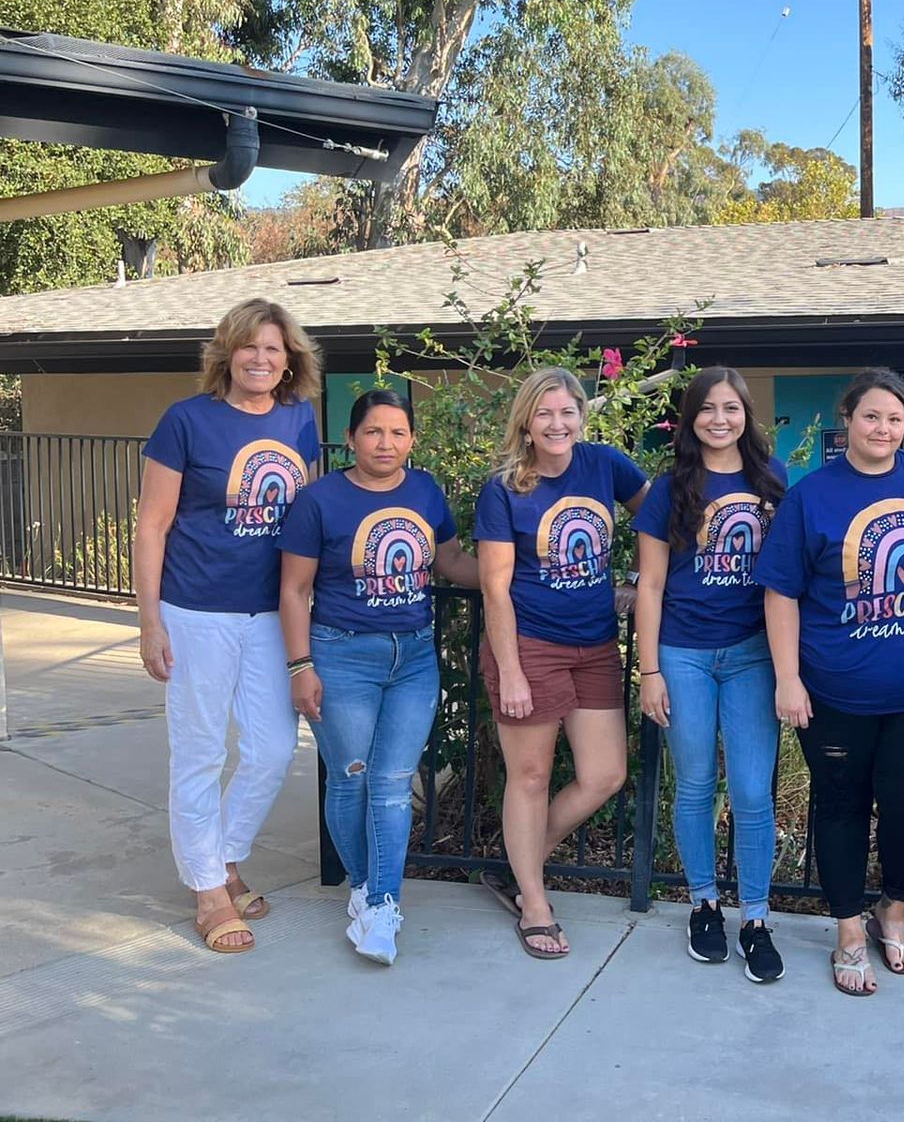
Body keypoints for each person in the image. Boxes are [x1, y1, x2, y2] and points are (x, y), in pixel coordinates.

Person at [757, 368, 904, 997]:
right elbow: (780, 592)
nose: (882, 429)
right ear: (848, 421)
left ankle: (894, 912)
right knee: (839, 808)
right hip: (835, 694)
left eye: (893, 418)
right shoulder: (812, 496)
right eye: (870, 417)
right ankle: (848, 932)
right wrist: (788, 679)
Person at [134, 299, 321, 955]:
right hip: (196, 611)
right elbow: (152, 524)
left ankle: (225, 855)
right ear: (227, 353)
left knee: (272, 749)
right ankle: (209, 890)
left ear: (289, 359)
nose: (261, 360)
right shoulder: (186, 421)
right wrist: (150, 619)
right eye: (250, 348)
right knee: (201, 752)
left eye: (274, 350)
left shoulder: (301, 420)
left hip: (271, 614)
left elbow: (309, 524)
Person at [278, 389, 481, 964]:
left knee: (392, 783)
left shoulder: (424, 491)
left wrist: (509, 574)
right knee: (351, 778)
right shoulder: (319, 500)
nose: (385, 443)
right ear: (351, 439)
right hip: (341, 656)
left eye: (397, 432)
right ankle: (367, 891)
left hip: (413, 658)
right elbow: (293, 590)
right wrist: (301, 667)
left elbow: (451, 563)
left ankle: (382, 903)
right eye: (373, 432)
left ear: (411, 440)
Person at [473, 366, 646, 960]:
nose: (557, 423)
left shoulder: (606, 465)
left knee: (604, 774)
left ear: (581, 417)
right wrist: (512, 669)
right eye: (545, 413)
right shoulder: (504, 488)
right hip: (531, 646)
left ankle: (517, 866)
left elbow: (659, 520)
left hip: (595, 644)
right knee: (531, 777)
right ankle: (534, 899)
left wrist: (641, 582)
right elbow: (495, 588)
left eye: (567, 412)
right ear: (526, 421)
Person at [634, 367, 789, 984]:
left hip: (753, 653)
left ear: (746, 415)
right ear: (690, 417)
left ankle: (756, 918)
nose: (719, 419)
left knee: (752, 791)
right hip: (684, 654)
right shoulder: (668, 487)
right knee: (696, 784)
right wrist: (649, 669)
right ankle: (704, 904)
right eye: (707, 409)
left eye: (731, 408)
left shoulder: (773, 481)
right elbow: (648, 584)